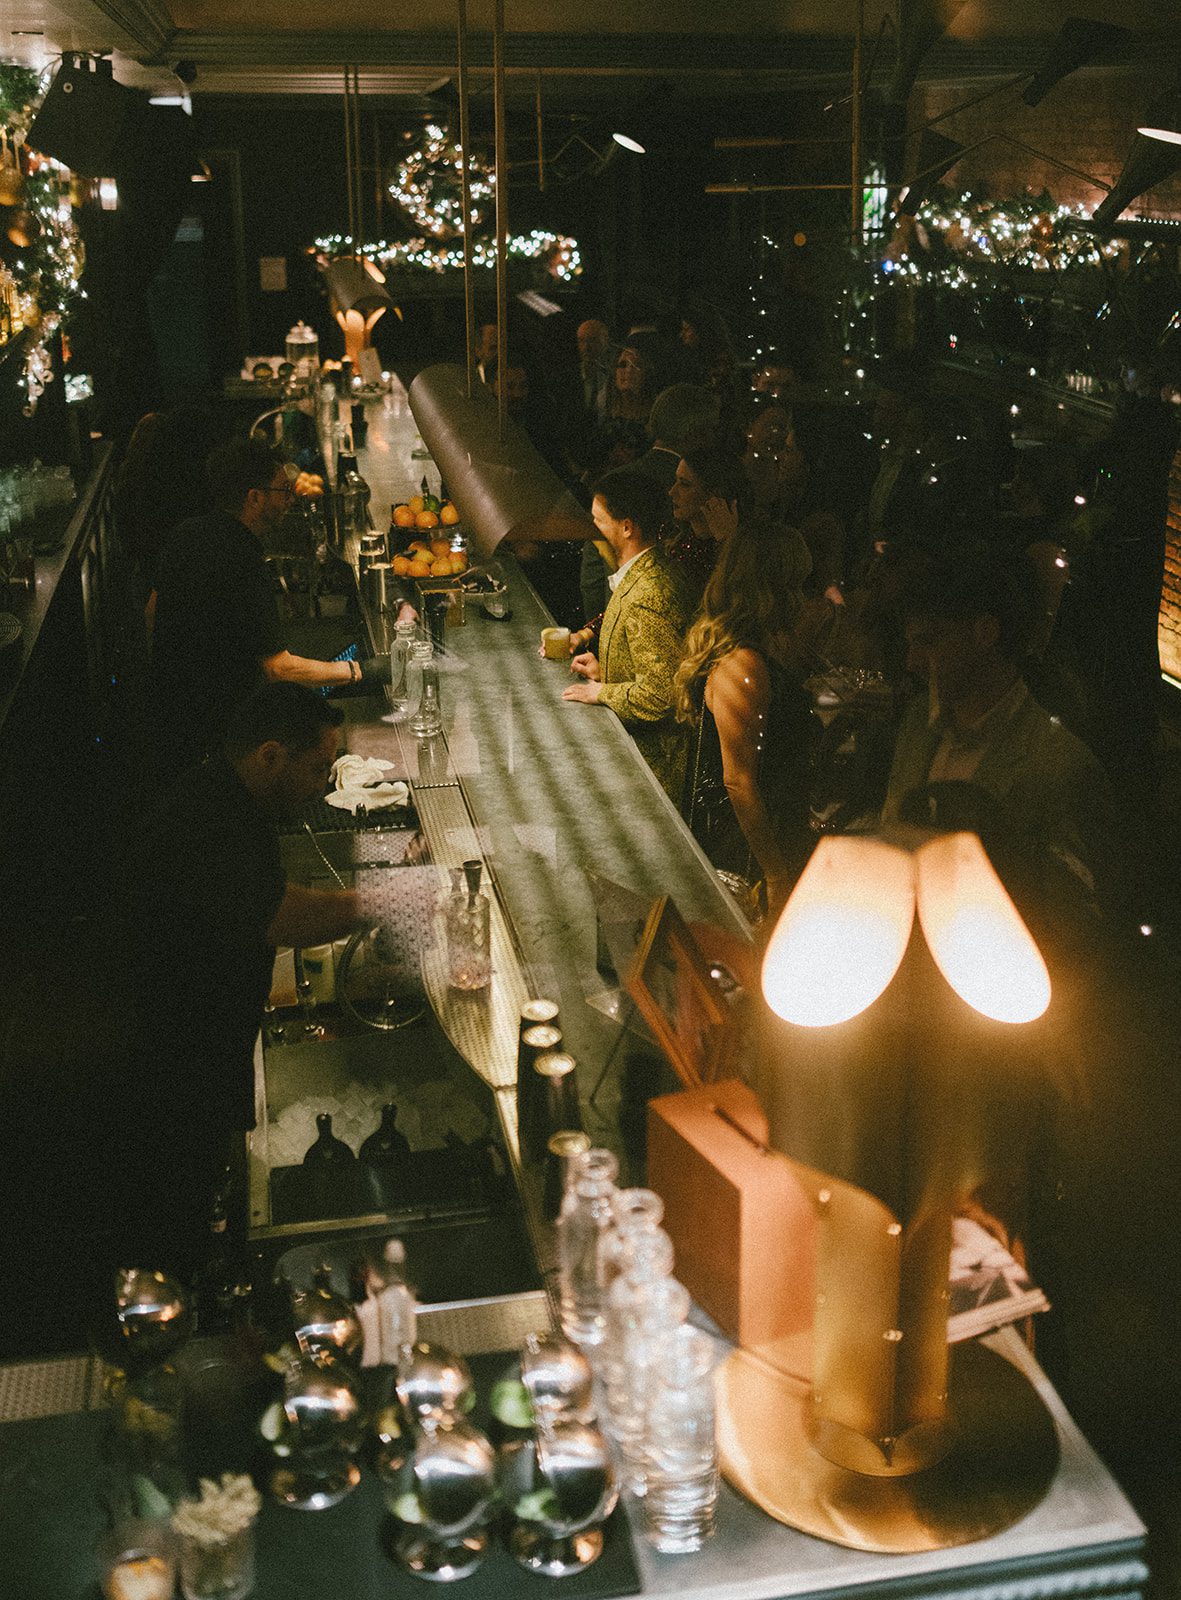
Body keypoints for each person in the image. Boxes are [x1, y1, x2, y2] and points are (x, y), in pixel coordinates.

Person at [116, 684, 369, 1276]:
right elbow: (279, 916)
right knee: (174, 1192)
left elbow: (267, 899)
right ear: (270, 756)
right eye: (316, 767)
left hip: (199, 1023)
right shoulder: (210, 817)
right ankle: (173, 1300)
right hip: (178, 1041)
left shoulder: (224, 797)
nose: (321, 782)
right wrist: (388, 899)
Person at [148, 434, 410, 775]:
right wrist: (362, 671)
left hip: (169, 712)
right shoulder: (243, 560)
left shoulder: (188, 532)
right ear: (254, 498)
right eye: (282, 491)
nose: (289, 499)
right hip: (220, 728)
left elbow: (152, 612)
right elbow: (278, 669)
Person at [882, 542, 1118, 919]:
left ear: (985, 632)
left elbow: (1072, 922)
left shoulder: (1062, 766)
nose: (911, 662)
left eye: (928, 641)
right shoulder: (917, 726)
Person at [674, 517, 818, 913]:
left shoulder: (752, 649)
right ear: (776, 587)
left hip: (764, 833)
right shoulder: (743, 664)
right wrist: (775, 873)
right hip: (742, 851)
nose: (805, 596)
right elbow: (738, 782)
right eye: (798, 583)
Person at [562, 467, 689, 800]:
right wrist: (608, 671)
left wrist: (602, 693)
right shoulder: (642, 571)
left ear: (627, 527)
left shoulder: (647, 593)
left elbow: (660, 696)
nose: (593, 530)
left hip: (650, 771)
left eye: (599, 521)